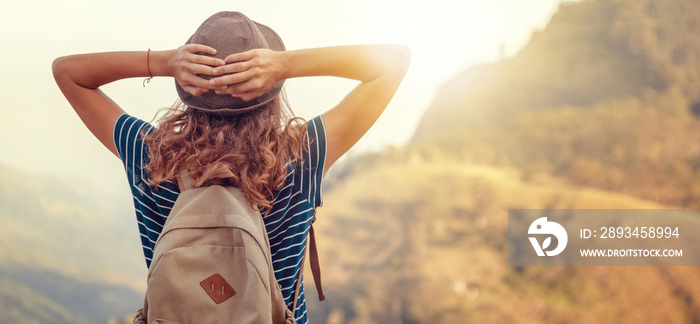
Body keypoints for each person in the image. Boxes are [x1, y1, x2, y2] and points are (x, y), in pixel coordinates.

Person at [52, 11, 410, 323]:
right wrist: (284, 65)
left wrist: (165, 62)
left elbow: (67, 71)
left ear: (188, 86)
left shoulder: (151, 155)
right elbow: (394, 61)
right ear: (269, 86)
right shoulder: (301, 155)